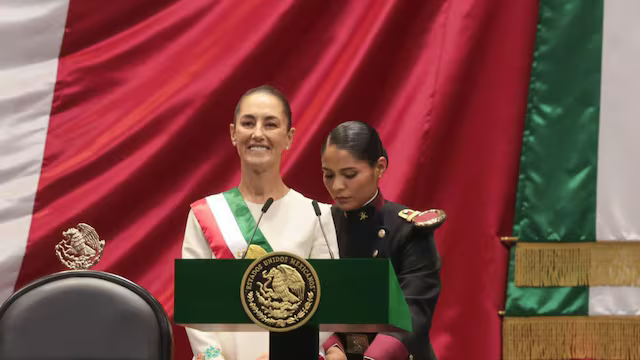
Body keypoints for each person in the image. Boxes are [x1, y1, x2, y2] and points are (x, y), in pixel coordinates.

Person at [182, 85, 339, 360]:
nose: (257, 133)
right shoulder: (205, 213)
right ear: (233, 133)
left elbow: (329, 305)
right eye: (248, 123)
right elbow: (194, 306)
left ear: (288, 137)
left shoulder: (317, 214)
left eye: (270, 124)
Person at [320, 121, 444, 360]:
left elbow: (413, 313)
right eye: (328, 175)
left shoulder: (408, 230)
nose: (337, 186)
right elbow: (311, 302)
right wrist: (332, 347)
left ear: (379, 167)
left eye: (350, 174)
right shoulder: (321, 224)